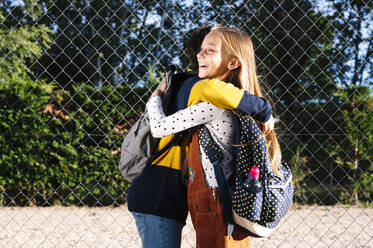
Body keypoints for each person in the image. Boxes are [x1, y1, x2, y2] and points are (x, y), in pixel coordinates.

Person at [127, 25, 274, 248]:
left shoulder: (187, 86)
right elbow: (232, 96)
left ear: (232, 61)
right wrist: (265, 110)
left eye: (210, 50)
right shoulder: (202, 88)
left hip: (164, 187)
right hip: (160, 188)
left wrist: (155, 96)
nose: (201, 55)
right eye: (203, 49)